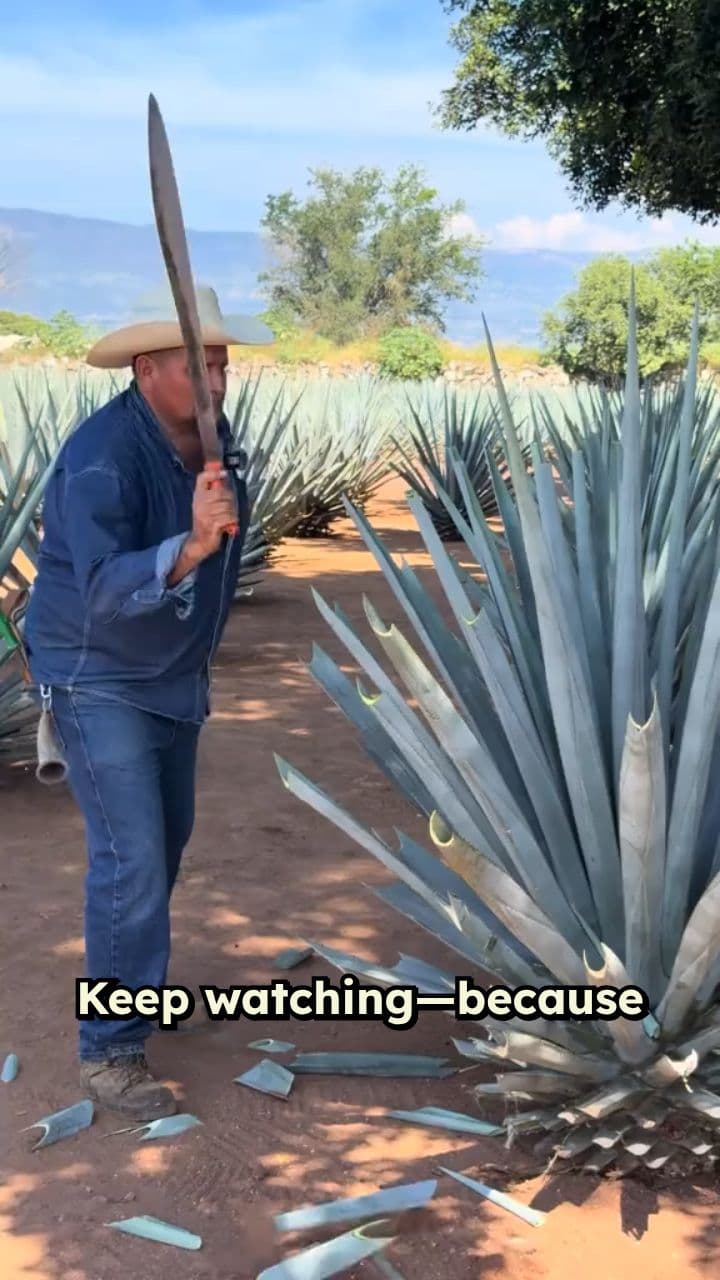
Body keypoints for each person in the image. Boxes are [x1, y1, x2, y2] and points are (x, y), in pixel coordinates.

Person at [22, 283, 273, 1120]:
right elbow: (99, 589)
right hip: (96, 672)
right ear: (145, 370)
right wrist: (192, 544)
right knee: (130, 856)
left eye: (222, 365)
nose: (217, 383)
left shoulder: (212, 444)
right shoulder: (102, 456)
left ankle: (134, 992)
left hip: (171, 677)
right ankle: (110, 1049)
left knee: (164, 846)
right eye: (198, 368)